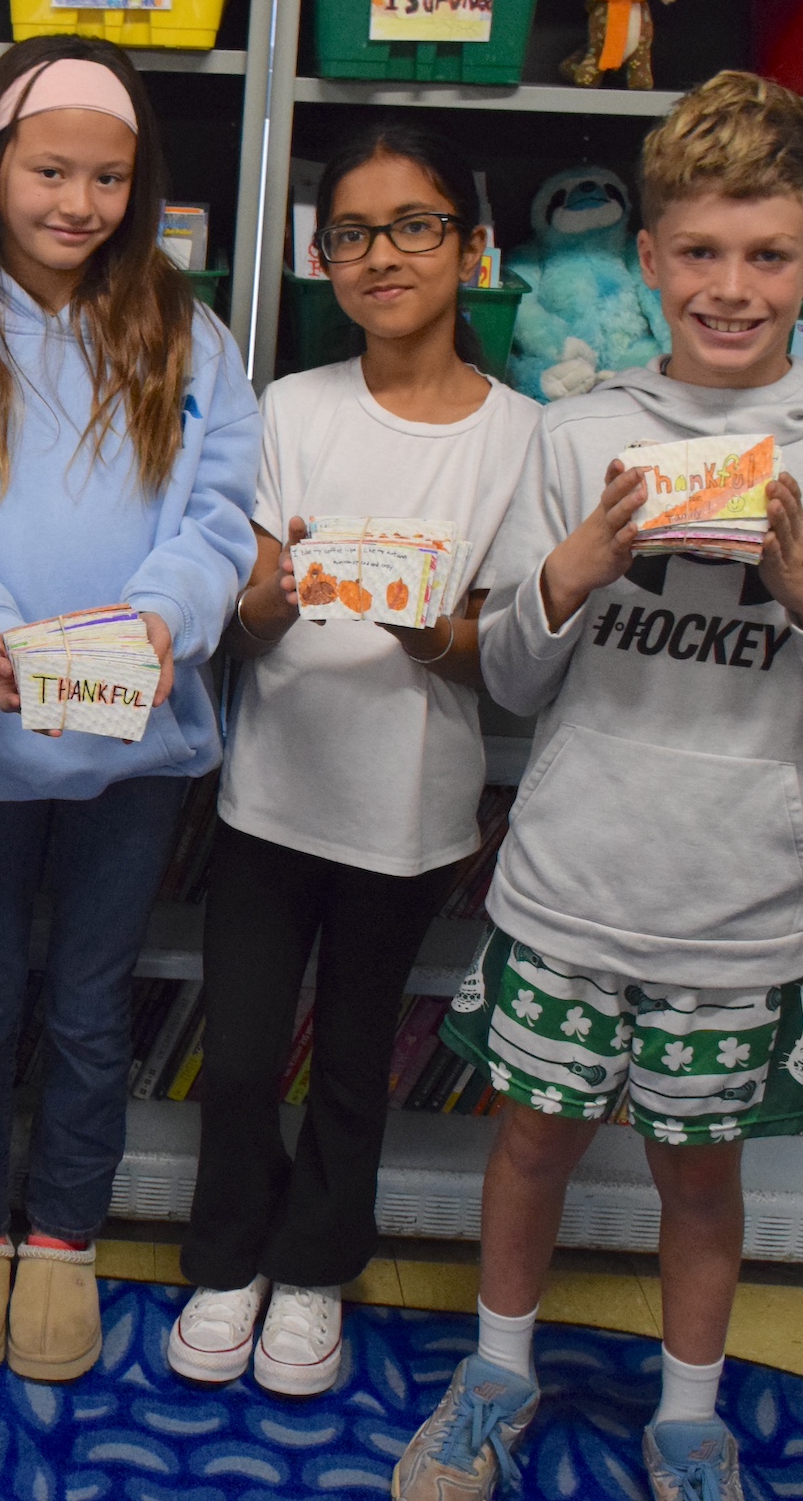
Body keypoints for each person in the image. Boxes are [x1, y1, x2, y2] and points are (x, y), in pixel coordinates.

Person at [392, 72, 803, 1501]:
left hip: (738, 901)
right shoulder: (575, 435)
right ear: (648, 258)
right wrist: (568, 574)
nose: (731, 287)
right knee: (532, 1141)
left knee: (702, 1175)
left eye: (767, 256)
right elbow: (508, 677)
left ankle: (692, 1412)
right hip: (573, 880)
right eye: (699, 251)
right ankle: (498, 1369)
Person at [0, 35, 260, 1382]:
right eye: (50, 171)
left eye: (107, 176)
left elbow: (219, 521)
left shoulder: (190, 335)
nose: (77, 201)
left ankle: (63, 1236)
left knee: (90, 1004)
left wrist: (159, 618)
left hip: (136, 743)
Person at [171, 124, 540, 1396]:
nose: (382, 256)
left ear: (467, 245)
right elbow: (245, 606)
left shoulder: (522, 437)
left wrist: (430, 628)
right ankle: (227, 1256)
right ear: (321, 256)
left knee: (355, 1056)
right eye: (352, 234)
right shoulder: (288, 406)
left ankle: (318, 1268)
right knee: (244, 1044)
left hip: (410, 804)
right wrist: (275, 595)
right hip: (271, 790)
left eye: (414, 227)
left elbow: (512, 648)